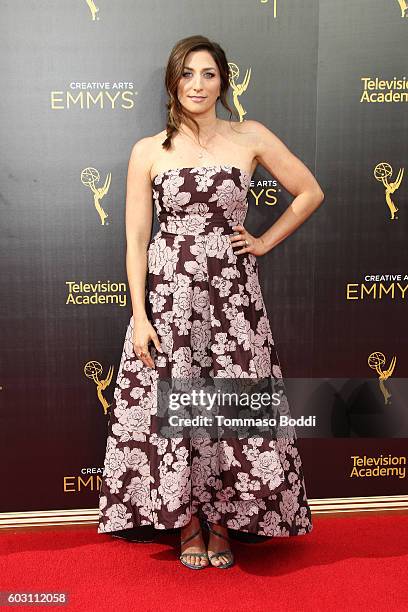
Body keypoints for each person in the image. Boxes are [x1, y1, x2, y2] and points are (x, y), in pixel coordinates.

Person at [98, 34, 324, 570]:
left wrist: (265, 240)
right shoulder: (149, 150)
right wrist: (138, 315)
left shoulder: (250, 136)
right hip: (169, 299)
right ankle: (188, 522)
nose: (197, 85)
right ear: (173, 81)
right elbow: (135, 238)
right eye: (187, 74)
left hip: (233, 299)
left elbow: (309, 191)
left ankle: (223, 520)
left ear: (223, 82)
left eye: (209, 74)